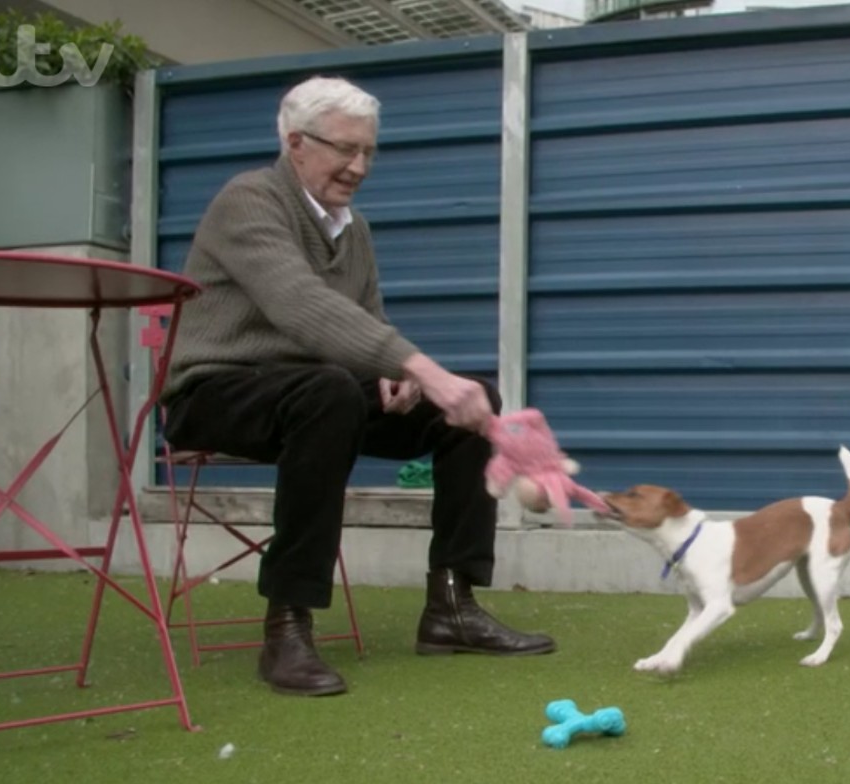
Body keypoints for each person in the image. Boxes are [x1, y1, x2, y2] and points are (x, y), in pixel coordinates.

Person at [159, 75, 556, 698]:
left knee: (469, 402)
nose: (359, 166)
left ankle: (452, 604)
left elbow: (365, 323)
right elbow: (298, 304)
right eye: (345, 149)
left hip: (319, 394)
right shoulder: (248, 200)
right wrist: (415, 366)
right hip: (216, 392)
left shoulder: (353, 228)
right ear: (296, 142)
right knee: (332, 392)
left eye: (368, 151)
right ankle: (287, 627)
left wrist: (392, 375)